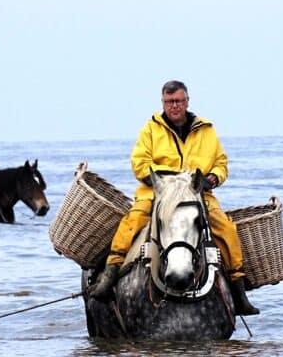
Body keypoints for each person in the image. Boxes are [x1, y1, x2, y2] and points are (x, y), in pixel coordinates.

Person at [90, 80, 259, 316]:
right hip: (158, 192)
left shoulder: (207, 130)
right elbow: (139, 163)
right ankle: (110, 273)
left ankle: (239, 292)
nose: (174, 106)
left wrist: (210, 180)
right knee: (132, 220)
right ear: (163, 103)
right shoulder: (151, 129)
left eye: (179, 101)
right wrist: (163, 181)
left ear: (187, 101)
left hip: (196, 194)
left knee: (226, 229)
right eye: (169, 102)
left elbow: (221, 163)